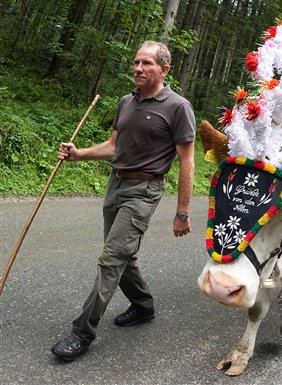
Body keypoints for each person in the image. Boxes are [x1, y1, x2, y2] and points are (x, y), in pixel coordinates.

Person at [51, 41, 196, 362]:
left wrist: (182, 212)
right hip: (116, 185)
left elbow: (187, 162)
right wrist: (79, 155)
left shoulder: (177, 107)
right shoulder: (126, 102)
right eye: (136, 62)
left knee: (111, 258)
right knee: (123, 254)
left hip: (144, 191)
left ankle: (82, 332)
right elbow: (114, 147)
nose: (139, 68)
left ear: (164, 69)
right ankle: (143, 306)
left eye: (146, 63)